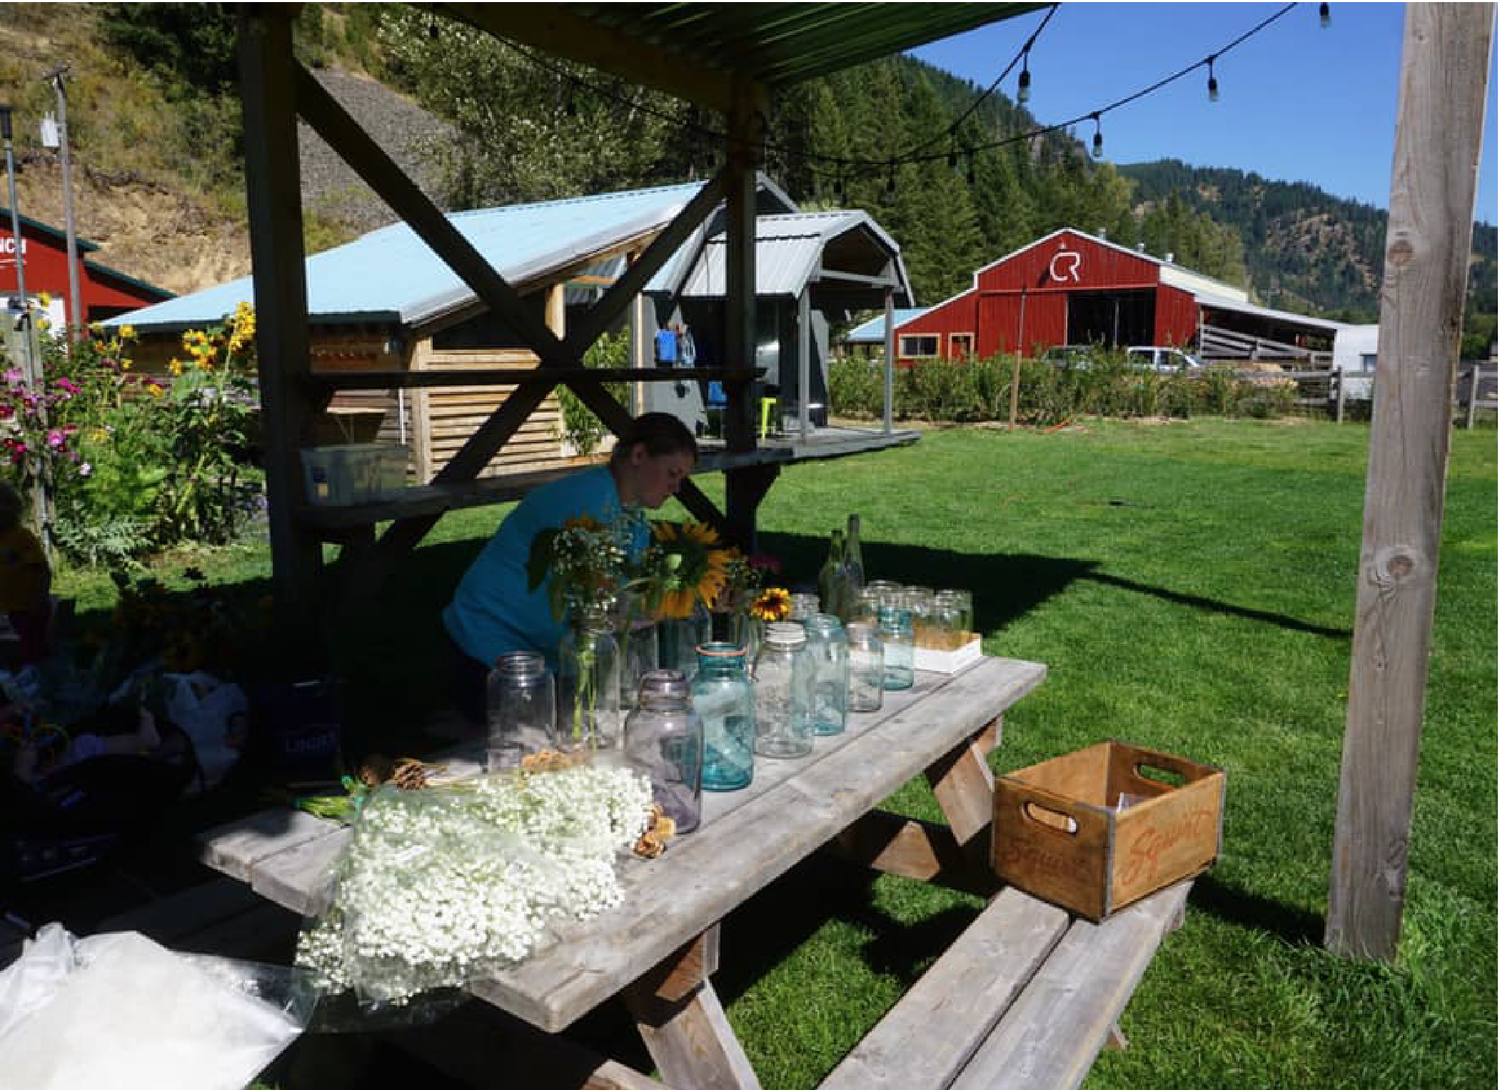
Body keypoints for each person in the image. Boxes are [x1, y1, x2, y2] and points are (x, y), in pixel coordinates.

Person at [442, 413, 698, 726]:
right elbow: (602, 606)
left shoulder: (631, 517)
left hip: (544, 661)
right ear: (639, 455)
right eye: (672, 473)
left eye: (681, 478)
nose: (676, 486)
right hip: (489, 653)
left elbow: (628, 598)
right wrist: (661, 606)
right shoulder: (584, 501)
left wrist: (675, 599)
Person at [0, 482, 51, 666]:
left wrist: (40, 600)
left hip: (25, 608)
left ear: (12, 508)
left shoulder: (22, 537)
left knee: (31, 652)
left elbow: (42, 571)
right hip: (4, 611)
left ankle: (39, 685)